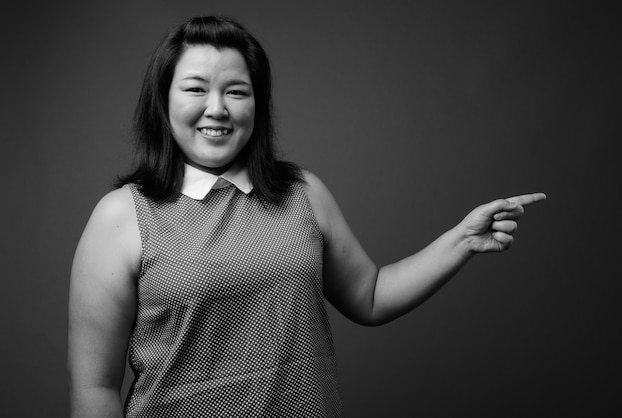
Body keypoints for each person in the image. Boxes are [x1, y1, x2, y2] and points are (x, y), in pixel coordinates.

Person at [67, 16, 546, 418]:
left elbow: (371, 295)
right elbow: (96, 388)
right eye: (196, 88)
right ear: (164, 100)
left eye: (237, 91)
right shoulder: (122, 216)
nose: (218, 108)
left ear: (257, 104)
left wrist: (462, 240)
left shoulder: (302, 192)